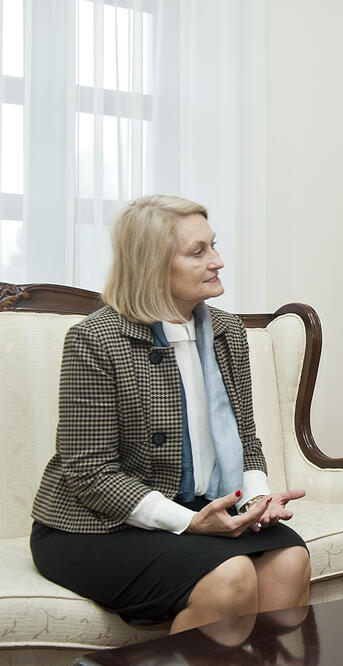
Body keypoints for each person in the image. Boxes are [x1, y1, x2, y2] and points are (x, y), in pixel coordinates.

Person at [30, 195, 311, 636]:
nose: (217, 261)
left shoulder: (227, 331)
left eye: (213, 246)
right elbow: (90, 473)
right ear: (152, 264)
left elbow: (246, 438)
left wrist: (255, 499)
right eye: (198, 252)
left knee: (290, 561)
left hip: (196, 507)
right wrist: (191, 523)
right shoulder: (94, 341)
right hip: (94, 526)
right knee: (231, 577)